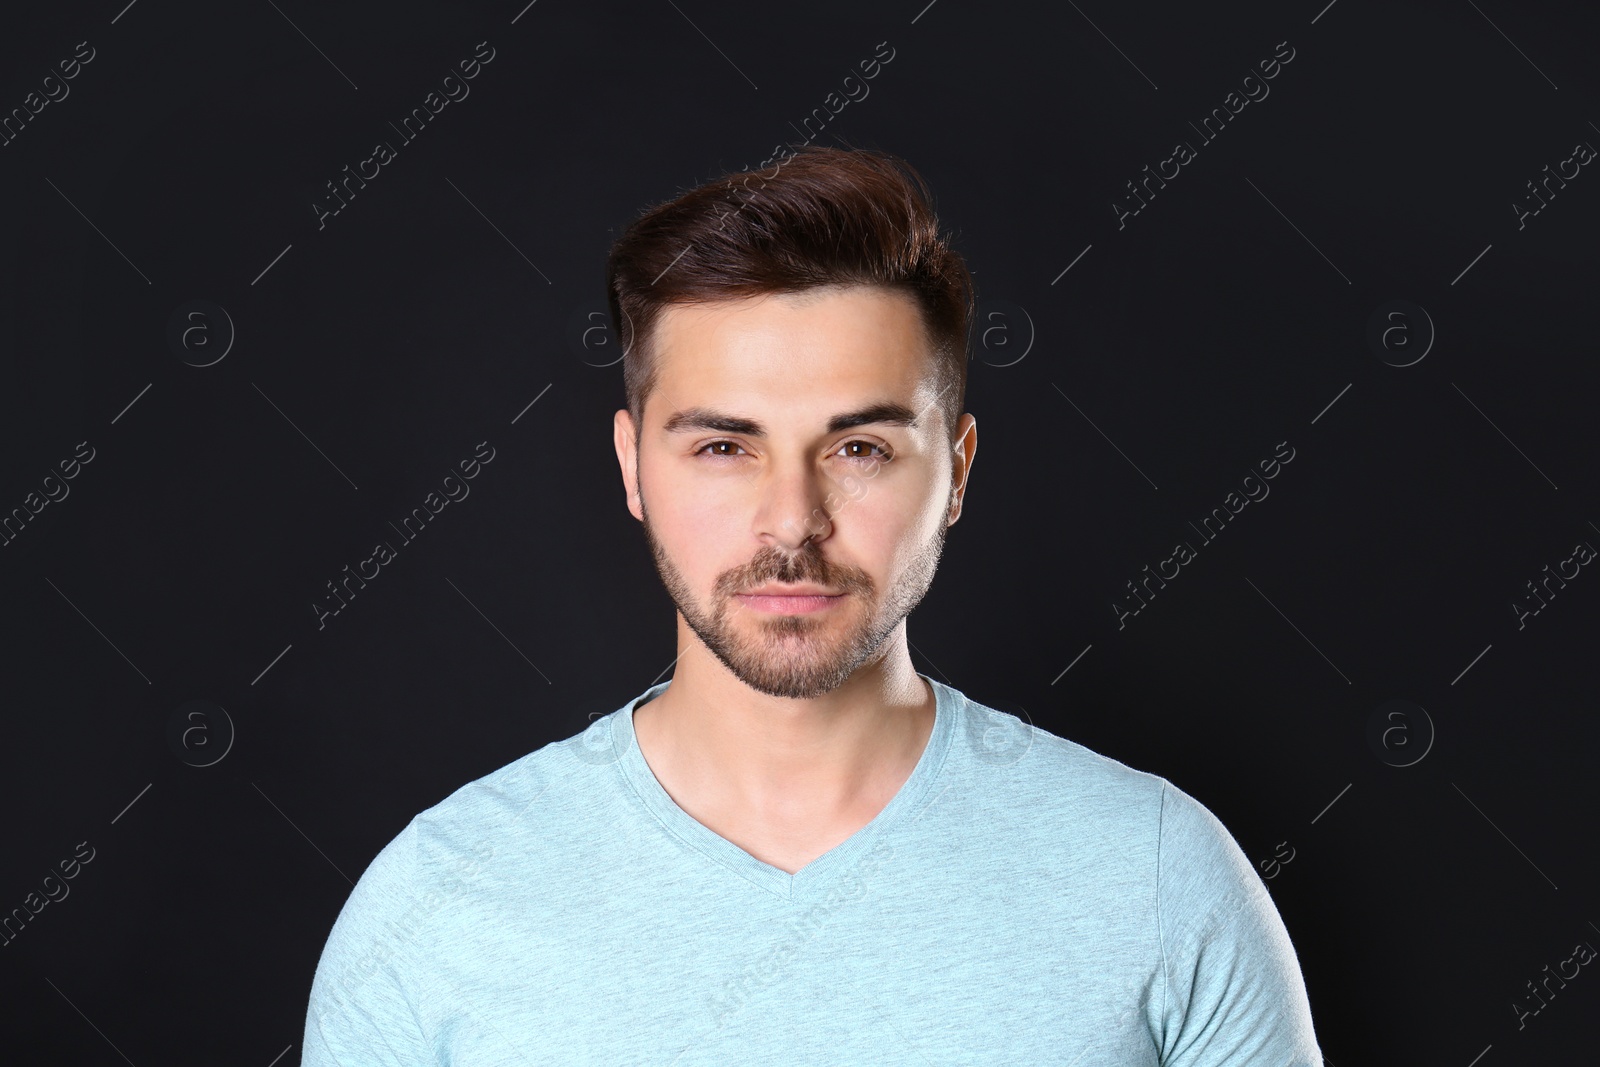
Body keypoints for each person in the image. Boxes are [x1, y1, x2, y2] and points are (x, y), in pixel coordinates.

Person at [301, 145, 1323, 1064]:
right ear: (632, 467)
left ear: (956, 471)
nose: (791, 522)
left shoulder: (1154, 872)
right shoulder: (437, 901)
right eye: (722, 446)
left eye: (858, 448)